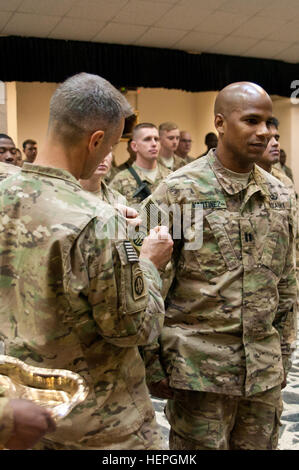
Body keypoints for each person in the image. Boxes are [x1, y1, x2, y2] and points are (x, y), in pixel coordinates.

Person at [0, 72, 173, 450]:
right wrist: (148, 264)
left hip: (20, 417)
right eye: (109, 144)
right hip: (98, 424)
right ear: (96, 140)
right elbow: (133, 329)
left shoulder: (4, 192)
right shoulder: (96, 221)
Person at [141, 82, 297, 450]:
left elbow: (287, 280)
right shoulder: (181, 191)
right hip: (197, 373)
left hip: (263, 372)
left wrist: (284, 356)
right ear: (221, 123)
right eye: (251, 121)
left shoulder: (280, 195)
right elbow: (145, 276)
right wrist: (150, 362)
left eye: (270, 123)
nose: (265, 132)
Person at [110, 123, 171, 207]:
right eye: (147, 139)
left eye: (156, 139)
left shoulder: (170, 177)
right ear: (134, 146)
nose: (154, 144)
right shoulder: (120, 181)